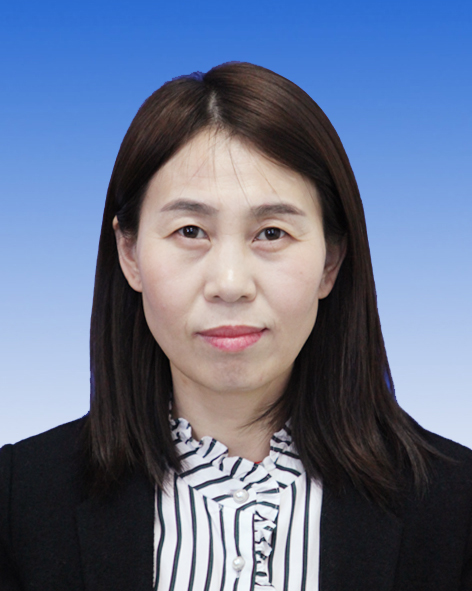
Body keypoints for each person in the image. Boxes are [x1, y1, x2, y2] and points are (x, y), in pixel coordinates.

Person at [1, 61, 471, 591]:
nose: (229, 284)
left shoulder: (456, 510)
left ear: (331, 261)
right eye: (190, 231)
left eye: (271, 232)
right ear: (129, 254)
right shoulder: (19, 503)